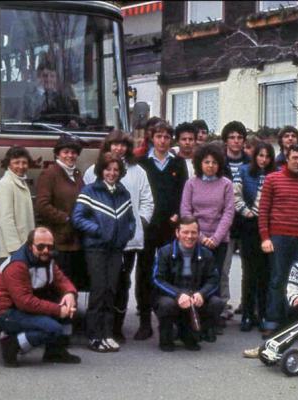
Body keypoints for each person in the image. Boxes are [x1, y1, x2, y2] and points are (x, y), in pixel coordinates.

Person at [84, 130, 154, 342]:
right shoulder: (92, 171)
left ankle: (116, 327)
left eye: (123, 145)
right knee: (100, 284)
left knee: (122, 283)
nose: (119, 148)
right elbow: (85, 204)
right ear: (108, 146)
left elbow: (147, 202)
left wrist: (137, 226)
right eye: (115, 144)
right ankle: (98, 329)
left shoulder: (138, 171)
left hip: (128, 241)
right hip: (101, 240)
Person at [0, 227, 80, 367]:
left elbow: (62, 280)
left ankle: (56, 351)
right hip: (6, 312)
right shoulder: (17, 265)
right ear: (30, 246)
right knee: (53, 328)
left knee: (68, 306)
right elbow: (24, 302)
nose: (45, 250)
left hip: (23, 306)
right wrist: (57, 310)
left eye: (49, 246)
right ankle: (12, 345)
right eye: (41, 246)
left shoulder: (48, 259)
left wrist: (70, 294)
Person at [73, 152, 136, 352]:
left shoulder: (123, 192)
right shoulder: (90, 191)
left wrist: (128, 232)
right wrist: (98, 231)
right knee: (98, 291)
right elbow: (78, 218)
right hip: (96, 249)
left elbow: (131, 219)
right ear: (101, 170)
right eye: (108, 169)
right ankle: (94, 336)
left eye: (116, 170)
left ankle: (107, 334)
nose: (112, 173)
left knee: (111, 291)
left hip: (116, 250)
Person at [258, 144, 298, 334]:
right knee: (277, 279)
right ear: (287, 158)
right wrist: (265, 237)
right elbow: (263, 210)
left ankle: (296, 323)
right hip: (278, 238)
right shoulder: (272, 179)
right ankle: (273, 321)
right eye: (295, 158)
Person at [136, 119, 188, 340]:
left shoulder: (178, 163)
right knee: (145, 272)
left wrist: (178, 213)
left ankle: (169, 319)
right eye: (159, 136)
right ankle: (145, 321)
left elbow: (184, 192)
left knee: (169, 272)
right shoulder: (141, 162)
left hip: (170, 226)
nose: (163, 141)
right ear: (152, 138)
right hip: (148, 226)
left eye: (167, 137)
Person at [180, 142, 235, 333]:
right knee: (195, 278)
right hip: (194, 238)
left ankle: (214, 319)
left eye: (214, 162)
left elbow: (228, 213)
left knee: (216, 278)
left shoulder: (226, 184)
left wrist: (216, 238)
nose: (210, 165)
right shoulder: (191, 183)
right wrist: (200, 237)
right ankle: (195, 318)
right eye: (206, 162)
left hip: (219, 240)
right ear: (199, 163)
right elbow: (186, 210)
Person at [153, 217, 224, 351]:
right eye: (185, 232)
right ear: (177, 233)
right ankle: (168, 334)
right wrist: (178, 294)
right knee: (166, 304)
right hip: (171, 297)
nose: (189, 236)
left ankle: (193, 333)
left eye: (193, 232)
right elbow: (158, 279)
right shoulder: (164, 252)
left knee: (217, 303)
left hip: (194, 296)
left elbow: (213, 280)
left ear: (198, 234)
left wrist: (201, 294)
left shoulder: (207, 254)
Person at [35, 134, 87, 290]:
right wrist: (65, 218)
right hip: (58, 242)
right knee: (58, 285)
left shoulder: (77, 174)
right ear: (57, 154)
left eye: (73, 152)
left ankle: (69, 312)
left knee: (72, 284)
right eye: (66, 152)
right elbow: (42, 205)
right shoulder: (49, 174)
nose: (70, 156)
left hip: (75, 241)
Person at [234, 142, 276, 331]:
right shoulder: (243, 171)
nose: (263, 160)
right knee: (249, 273)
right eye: (260, 155)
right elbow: (235, 195)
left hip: (267, 227)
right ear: (255, 156)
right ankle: (247, 314)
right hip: (248, 225)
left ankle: (263, 314)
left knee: (265, 274)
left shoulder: (274, 175)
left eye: (267, 157)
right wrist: (247, 211)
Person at [220, 121, 251, 320]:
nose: (236, 141)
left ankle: (247, 305)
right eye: (232, 137)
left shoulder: (252, 162)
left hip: (248, 221)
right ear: (226, 141)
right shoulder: (218, 161)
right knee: (224, 266)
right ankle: (222, 304)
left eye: (239, 137)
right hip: (226, 221)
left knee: (249, 267)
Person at [0, 146, 35, 261]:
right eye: (16, 162)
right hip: (10, 251)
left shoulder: (20, 182)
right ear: (8, 164)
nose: (21, 166)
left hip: (22, 249)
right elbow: (6, 219)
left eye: (24, 163)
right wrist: (16, 249)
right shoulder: (5, 184)